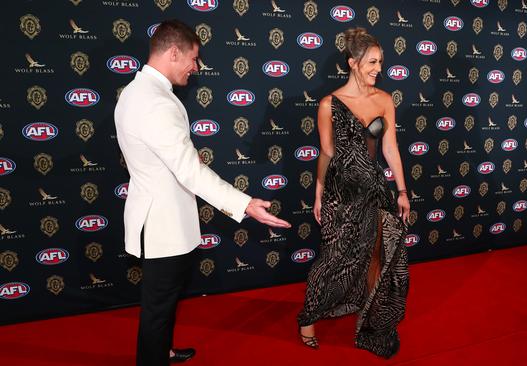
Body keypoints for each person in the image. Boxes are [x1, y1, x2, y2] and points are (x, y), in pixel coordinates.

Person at [114, 20, 291, 366]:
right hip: (162, 227)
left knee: (162, 306)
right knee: (158, 309)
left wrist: (185, 159)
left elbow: (169, 159)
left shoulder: (139, 92)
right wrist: (246, 204)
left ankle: (162, 351)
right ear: (174, 51)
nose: (196, 68)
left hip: (159, 219)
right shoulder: (156, 103)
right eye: (193, 59)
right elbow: (189, 171)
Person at [297, 27, 410, 358]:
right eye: (373, 62)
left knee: (380, 255)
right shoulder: (328, 105)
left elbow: (391, 149)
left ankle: (372, 317)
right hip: (339, 193)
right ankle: (307, 320)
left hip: (375, 191)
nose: (379, 69)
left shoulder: (385, 100)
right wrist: (318, 194)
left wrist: (402, 190)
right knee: (333, 257)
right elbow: (327, 153)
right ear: (353, 63)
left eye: (381, 62)